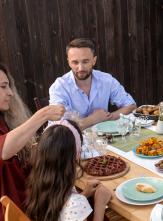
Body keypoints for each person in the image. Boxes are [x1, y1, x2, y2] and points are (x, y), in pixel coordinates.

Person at [0, 63, 65, 220]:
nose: (10, 93)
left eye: (9, 86)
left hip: (32, 196)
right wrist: (43, 114)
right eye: (3, 87)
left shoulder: (4, 120)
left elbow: (21, 164)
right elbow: (4, 151)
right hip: (20, 211)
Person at [25, 120, 112, 221]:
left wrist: (84, 194)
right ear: (76, 156)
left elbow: (63, 210)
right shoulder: (76, 204)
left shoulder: (39, 184)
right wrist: (100, 205)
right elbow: (72, 208)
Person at [49, 38, 137, 129]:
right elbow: (61, 128)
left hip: (103, 139)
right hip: (71, 142)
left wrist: (108, 117)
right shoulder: (59, 87)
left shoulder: (106, 80)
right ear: (68, 62)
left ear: (94, 61)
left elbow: (131, 105)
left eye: (85, 61)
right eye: (75, 62)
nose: (80, 68)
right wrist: (93, 119)